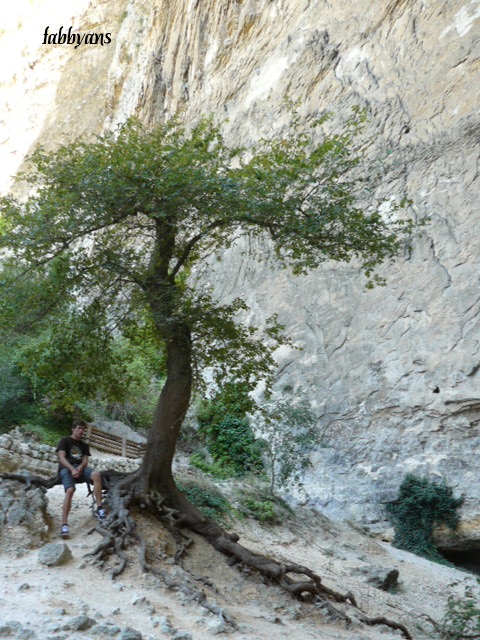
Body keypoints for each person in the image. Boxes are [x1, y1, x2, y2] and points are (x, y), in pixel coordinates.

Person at [56, 419, 106, 537]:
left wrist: (80, 468)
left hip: (79, 468)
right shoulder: (65, 441)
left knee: (96, 475)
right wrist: (72, 469)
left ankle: (99, 508)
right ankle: (64, 524)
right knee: (70, 490)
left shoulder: (84, 445)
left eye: (83, 429)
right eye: (78, 428)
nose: (81, 431)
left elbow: (85, 461)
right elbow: (61, 458)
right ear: (73, 429)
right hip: (66, 468)